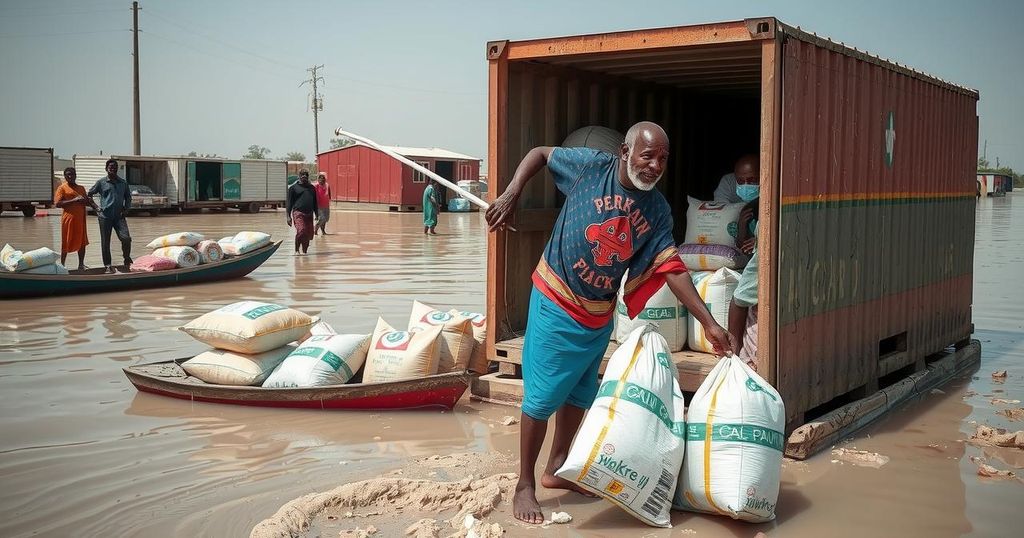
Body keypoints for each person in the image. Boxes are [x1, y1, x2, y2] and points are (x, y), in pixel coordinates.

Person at [485, 121, 736, 525]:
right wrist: (513, 193)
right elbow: (540, 154)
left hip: (598, 312)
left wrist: (708, 322)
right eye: (647, 155)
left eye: (662, 159)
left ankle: (558, 467)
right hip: (556, 297)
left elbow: (670, 266)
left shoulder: (655, 209)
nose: (654, 165)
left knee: (580, 392)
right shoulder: (589, 167)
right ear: (624, 152)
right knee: (542, 396)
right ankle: (524, 484)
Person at [728, 166, 761, 371]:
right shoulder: (748, 208)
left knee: (739, 298)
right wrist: (742, 225)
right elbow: (742, 243)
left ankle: (734, 351)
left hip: (760, 260)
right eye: (742, 181)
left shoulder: (765, 204)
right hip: (753, 258)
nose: (747, 186)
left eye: (752, 180)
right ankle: (734, 353)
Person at [86, 159, 133, 273]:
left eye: (115, 167)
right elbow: (89, 195)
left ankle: (127, 258)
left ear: (117, 169)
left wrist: (126, 209)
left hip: (119, 216)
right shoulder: (101, 182)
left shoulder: (123, 183)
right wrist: (96, 208)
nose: (113, 169)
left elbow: (128, 197)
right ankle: (107, 265)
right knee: (105, 242)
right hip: (105, 217)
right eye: (110, 167)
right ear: (106, 169)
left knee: (126, 238)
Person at [53, 167, 97, 270]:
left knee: (82, 241)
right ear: (65, 176)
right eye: (68, 175)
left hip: (80, 219)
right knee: (66, 240)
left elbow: (87, 202)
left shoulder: (81, 188)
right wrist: (74, 200)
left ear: (75, 175)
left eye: (72, 174)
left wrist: (87, 201)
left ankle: (81, 264)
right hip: (68, 219)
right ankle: (62, 265)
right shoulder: (62, 188)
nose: (70, 176)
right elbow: (58, 204)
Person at [286, 170, 318, 254]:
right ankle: (296, 250)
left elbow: (315, 202)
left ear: (308, 176)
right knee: (301, 230)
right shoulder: (293, 188)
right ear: (299, 176)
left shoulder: (312, 188)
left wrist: (317, 214)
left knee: (308, 234)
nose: (304, 176)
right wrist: (288, 216)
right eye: (302, 175)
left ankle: (304, 252)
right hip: (298, 213)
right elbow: (289, 203)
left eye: (306, 175)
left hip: (309, 213)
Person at [314, 172, 331, 236]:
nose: (322, 180)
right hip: (319, 206)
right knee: (322, 218)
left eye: (323, 179)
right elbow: (313, 196)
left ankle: (323, 231)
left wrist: (330, 201)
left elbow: (329, 194)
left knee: (326, 219)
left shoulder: (327, 185)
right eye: (320, 179)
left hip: (326, 205)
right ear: (318, 179)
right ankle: (315, 229)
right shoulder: (316, 186)